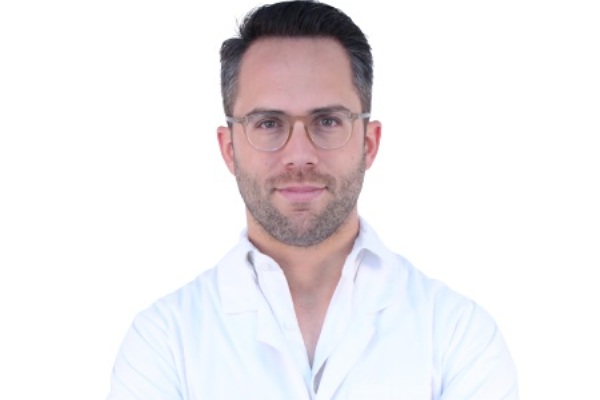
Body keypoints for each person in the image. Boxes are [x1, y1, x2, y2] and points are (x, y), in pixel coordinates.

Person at [107, 1, 518, 399]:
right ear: (229, 148)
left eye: (327, 121)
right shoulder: (163, 343)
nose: (300, 155)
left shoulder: (458, 336)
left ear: (369, 142)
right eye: (269, 123)